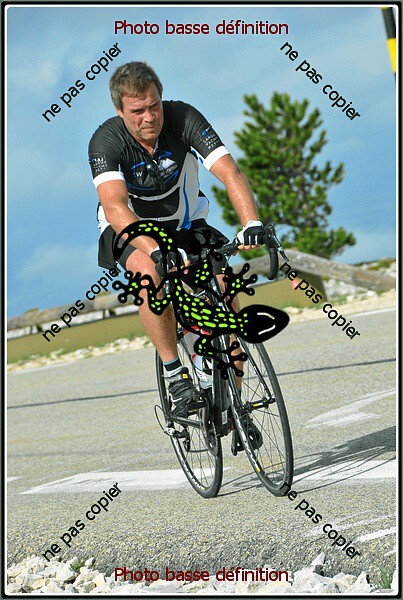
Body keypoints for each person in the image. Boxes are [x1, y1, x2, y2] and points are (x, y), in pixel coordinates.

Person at [88, 61, 265, 418]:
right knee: (149, 275)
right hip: (130, 229)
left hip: (185, 222)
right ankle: (175, 373)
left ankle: (234, 406)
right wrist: (157, 250)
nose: (149, 117)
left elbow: (230, 172)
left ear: (161, 97)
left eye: (154, 105)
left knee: (226, 294)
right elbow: (115, 207)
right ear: (120, 110)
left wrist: (251, 222)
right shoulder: (106, 141)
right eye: (137, 111)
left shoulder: (183, 118)